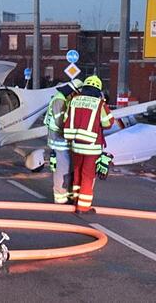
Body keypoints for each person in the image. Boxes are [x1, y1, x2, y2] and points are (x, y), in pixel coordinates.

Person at [63, 75, 115, 214]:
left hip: (75, 144)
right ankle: (83, 206)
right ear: (99, 90)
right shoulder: (99, 104)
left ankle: (75, 200)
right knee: (87, 175)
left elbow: (66, 119)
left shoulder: (74, 100)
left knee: (77, 172)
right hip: (91, 146)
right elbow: (108, 123)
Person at [43, 78, 83, 204]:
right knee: (62, 169)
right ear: (73, 91)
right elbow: (61, 122)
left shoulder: (62, 98)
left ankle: (67, 194)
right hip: (59, 140)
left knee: (67, 168)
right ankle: (60, 197)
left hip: (60, 139)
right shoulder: (60, 100)